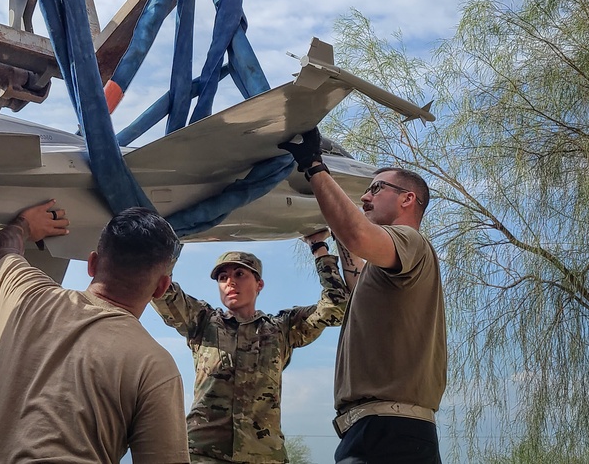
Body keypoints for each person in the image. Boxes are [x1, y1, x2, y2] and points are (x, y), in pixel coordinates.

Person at [0, 205, 190, 464]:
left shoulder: (28, 297)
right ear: (161, 288)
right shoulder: (154, 365)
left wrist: (25, 224)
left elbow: (0, 247)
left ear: (92, 263)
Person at [279, 127, 446, 464]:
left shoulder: (411, 242)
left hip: (392, 434)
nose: (365, 197)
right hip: (372, 431)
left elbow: (357, 233)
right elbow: (354, 265)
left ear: (407, 198)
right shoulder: (384, 269)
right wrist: (319, 245)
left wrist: (313, 165)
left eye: (375, 188)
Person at [153, 235, 350, 464]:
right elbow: (159, 288)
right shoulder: (203, 322)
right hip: (204, 455)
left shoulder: (282, 329)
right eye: (223, 277)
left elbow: (338, 305)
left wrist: (319, 248)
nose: (230, 282)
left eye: (240, 274)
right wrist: (175, 238)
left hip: (264, 455)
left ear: (259, 284)